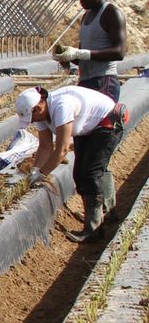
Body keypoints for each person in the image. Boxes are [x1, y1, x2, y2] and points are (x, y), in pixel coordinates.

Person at [15, 84, 128, 241]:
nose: (33, 122)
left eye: (32, 118)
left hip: (109, 121)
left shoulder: (62, 106)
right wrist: (35, 169)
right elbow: (45, 146)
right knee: (79, 174)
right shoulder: (42, 113)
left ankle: (94, 229)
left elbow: (62, 150)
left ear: (37, 108)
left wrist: (41, 174)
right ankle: (105, 213)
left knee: (90, 174)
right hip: (90, 128)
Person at [53, 0, 127, 101]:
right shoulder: (86, 17)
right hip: (86, 81)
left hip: (104, 81)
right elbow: (84, 56)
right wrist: (67, 56)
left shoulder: (111, 13)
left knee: (102, 122)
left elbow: (119, 52)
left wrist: (80, 53)